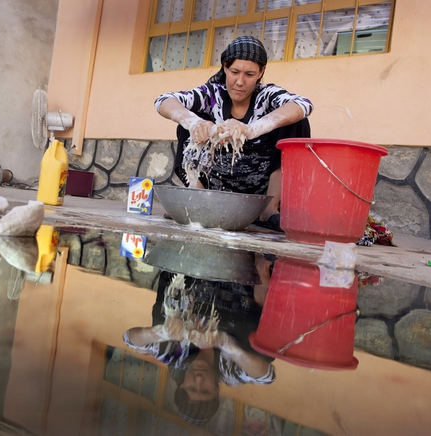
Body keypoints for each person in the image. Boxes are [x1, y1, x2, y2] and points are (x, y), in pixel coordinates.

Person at [154, 36, 313, 231]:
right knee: (186, 121)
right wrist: (195, 123)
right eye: (234, 72)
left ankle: (269, 209)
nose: (240, 81)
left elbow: (303, 105)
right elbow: (163, 100)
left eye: (249, 74)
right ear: (225, 68)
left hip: (260, 191)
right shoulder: (212, 95)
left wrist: (251, 129)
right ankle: (196, 195)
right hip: (216, 187)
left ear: (261, 72)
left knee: (297, 122)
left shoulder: (266, 96)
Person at [123, 268, 275, 425]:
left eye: (192, 388)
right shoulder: (230, 372)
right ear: (216, 392)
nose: (199, 379)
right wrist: (224, 343)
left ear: (181, 385)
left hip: (187, 263)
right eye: (205, 390)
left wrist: (163, 332)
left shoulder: (173, 355)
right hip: (240, 269)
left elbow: (130, 339)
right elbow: (264, 376)